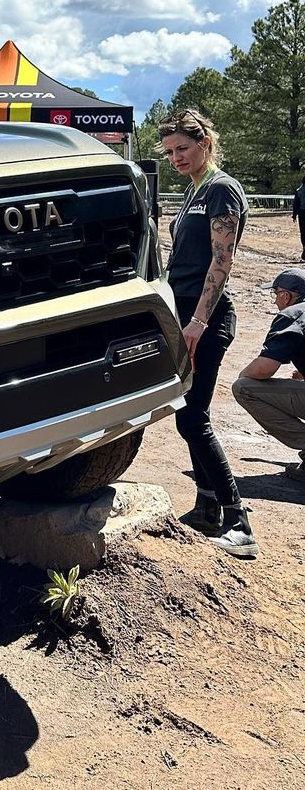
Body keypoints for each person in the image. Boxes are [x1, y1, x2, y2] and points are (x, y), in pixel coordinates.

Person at [159, 109, 258, 558]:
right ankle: (206, 506)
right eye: (170, 152)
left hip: (208, 320)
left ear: (205, 143)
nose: (176, 157)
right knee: (185, 412)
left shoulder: (220, 189)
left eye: (183, 148)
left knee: (193, 417)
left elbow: (221, 263)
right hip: (184, 315)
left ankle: (238, 519)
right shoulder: (195, 189)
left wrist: (197, 322)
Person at [232, 267, 305, 483]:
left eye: (275, 294)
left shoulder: (293, 314)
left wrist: (244, 374)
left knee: (243, 387)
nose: (275, 301)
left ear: (286, 296)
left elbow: (263, 369)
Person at [293, 175, 305, 261]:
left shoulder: (299, 191)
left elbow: (295, 204)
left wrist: (294, 215)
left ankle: (304, 247)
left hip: (302, 214)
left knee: (303, 232)